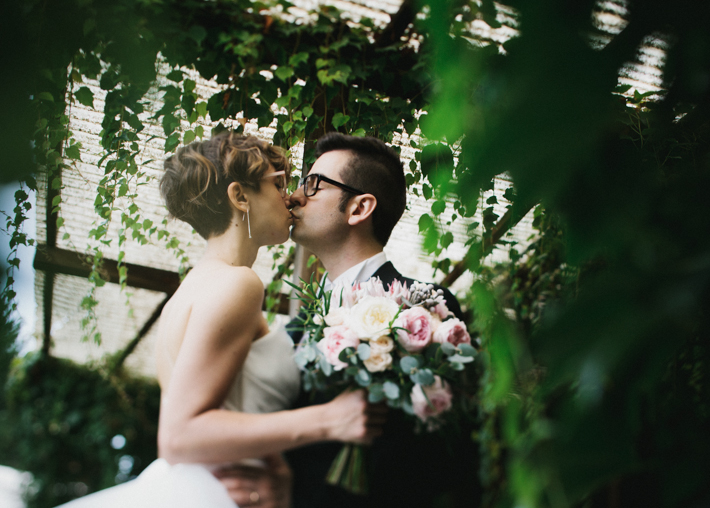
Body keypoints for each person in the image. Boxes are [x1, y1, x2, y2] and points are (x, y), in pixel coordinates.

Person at [57, 132, 383, 508]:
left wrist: (275, 466)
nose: (290, 196)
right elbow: (179, 435)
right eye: (278, 183)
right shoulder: (237, 283)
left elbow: (231, 409)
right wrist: (329, 419)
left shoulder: (188, 294)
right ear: (240, 196)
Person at [275, 133, 480, 508]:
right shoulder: (299, 323)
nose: (295, 197)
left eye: (313, 184)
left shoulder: (425, 311)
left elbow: (447, 449)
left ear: (359, 208)